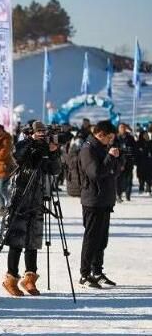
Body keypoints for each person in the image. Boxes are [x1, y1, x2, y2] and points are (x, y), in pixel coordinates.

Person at [0, 121, 61, 297]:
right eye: (38, 132)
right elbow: (19, 156)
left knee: (33, 240)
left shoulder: (45, 148)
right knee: (16, 240)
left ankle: (30, 278)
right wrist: (33, 142)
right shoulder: (23, 144)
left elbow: (54, 170)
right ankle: (10, 278)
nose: (42, 135)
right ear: (30, 133)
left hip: (37, 197)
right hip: (20, 198)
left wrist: (53, 152)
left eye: (44, 132)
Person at [79, 120, 121, 289]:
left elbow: (113, 171)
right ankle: (84, 274)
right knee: (91, 239)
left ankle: (97, 271)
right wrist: (110, 157)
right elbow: (95, 173)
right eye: (109, 137)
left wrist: (115, 159)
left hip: (104, 199)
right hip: (93, 200)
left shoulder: (101, 147)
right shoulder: (88, 148)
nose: (110, 141)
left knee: (101, 239)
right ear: (100, 134)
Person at [115, 123, 136, 202]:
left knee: (129, 179)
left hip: (129, 161)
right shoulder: (116, 138)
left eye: (124, 127)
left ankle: (128, 195)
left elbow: (134, 149)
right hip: (119, 162)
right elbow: (114, 149)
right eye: (121, 127)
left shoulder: (130, 138)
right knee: (118, 180)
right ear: (118, 129)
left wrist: (132, 157)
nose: (122, 129)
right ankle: (119, 195)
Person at [135, 130, 152, 195]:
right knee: (141, 177)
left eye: (147, 134)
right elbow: (136, 153)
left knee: (149, 177)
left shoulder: (150, 143)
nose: (146, 136)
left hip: (149, 163)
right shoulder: (138, 143)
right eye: (145, 134)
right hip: (141, 163)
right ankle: (141, 187)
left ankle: (148, 189)